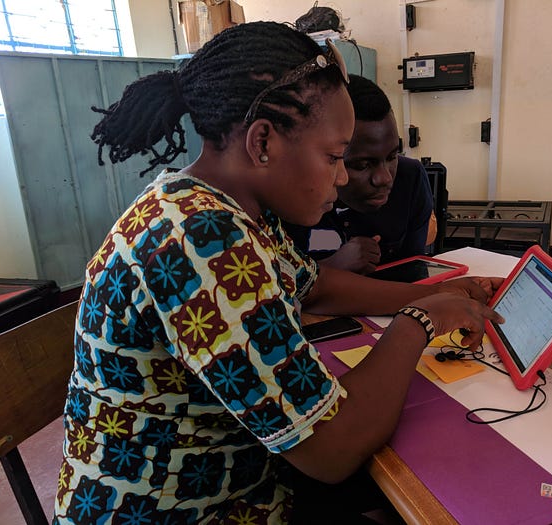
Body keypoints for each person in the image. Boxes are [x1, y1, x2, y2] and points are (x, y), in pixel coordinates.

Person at [53, 21, 503, 525]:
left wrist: (434, 294)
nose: (341, 176)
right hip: (185, 510)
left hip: (237, 475)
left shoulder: (218, 205)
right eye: (334, 157)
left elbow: (318, 287)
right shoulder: (203, 240)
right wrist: (418, 322)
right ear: (262, 141)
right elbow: (331, 450)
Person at [285, 74, 434, 274]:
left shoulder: (410, 178)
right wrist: (331, 267)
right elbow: (282, 283)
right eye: (363, 165)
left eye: (392, 156)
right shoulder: (291, 199)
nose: (385, 178)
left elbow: (414, 270)